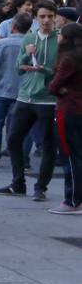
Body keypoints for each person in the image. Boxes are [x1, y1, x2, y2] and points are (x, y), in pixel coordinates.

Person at [0, 1, 60, 200]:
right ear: (36, 18)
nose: (46, 20)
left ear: (55, 17)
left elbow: (60, 70)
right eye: (42, 16)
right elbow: (18, 67)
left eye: (50, 16)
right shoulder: (29, 38)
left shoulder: (59, 40)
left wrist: (44, 70)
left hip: (47, 99)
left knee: (48, 145)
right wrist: (26, 55)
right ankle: (18, 182)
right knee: (13, 139)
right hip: (24, 96)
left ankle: (41, 187)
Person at [0, 13, 30, 169]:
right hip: (24, 91)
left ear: (13, 26)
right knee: (25, 125)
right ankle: (24, 160)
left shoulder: (1, 44)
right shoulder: (33, 44)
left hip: (1, 89)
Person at [48, 22, 82, 215]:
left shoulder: (68, 59)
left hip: (68, 109)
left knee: (69, 155)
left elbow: (54, 85)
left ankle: (72, 199)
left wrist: (58, 88)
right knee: (78, 155)